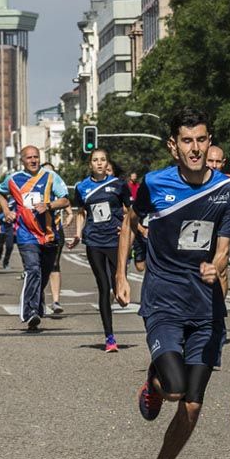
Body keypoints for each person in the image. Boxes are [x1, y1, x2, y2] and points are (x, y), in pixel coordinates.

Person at [114, 108, 230, 459]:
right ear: (173, 146)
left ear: (209, 141)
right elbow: (130, 221)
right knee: (174, 388)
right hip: (164, 300)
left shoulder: (229, 191)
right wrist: (121, 274)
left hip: (206, 307)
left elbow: (223, 248)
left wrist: (216, 266)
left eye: (201, 140)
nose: (195, 148)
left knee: (192, 401)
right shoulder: (154, 184)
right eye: (187, 141)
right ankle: (154, 385)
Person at [0, 146, 70, 331]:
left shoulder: (51, 176)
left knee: (43, 275)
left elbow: (65, 200)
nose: (33, 160)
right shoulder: (13, 179)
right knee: (33, 270)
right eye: (29, 157)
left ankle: (36, 307)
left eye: (36, 157)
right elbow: (0, 192)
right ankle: (29, 313)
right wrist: (6, 211)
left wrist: (48, 205)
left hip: (49, 234)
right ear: (23, 160)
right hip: (25, 234)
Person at [70, 148, 131, 352]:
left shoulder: (118, 185)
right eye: (95, 160)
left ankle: (120, 289)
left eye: (102, 160)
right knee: (103, 287)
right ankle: (110, 338)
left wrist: (124, 226)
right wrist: (78, 233)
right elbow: (81, 212)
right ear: (90, 164)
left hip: (115, 240)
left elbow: (130, 211)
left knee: (118, 282)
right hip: (94, 241)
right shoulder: (82, 187)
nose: (99, 163)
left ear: (107, 164)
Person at [41, 162, 71, 316]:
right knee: (37, 267)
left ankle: (56, 301)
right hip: (37, 232)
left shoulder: (57, 185)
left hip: (55, 230)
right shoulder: (36, 187)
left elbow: (66, 202)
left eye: (51, 172)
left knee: (54, 265)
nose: (48, 174)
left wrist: (70, 215)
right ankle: (38, 298)